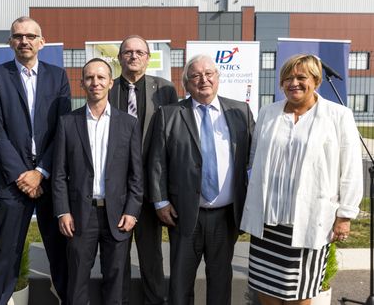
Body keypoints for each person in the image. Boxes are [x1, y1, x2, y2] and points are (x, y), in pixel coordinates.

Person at [240, 54, 363, 304]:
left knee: (300, 294)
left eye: (300, 77)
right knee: (266, 291)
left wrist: (345, 216)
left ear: (316, 81)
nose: (293, 83)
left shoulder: (338, 115)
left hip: (308, 221)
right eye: (287, 78)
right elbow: (254, 159)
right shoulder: (268, 112)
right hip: (268, 223)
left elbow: (350, 168)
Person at [148, 54, 254, 305]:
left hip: (226, 215)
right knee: (180, 283)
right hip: (184, 214)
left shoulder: (240, 111)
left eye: (209, 74)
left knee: (220, 281)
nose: (203, 79)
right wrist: (160, 202)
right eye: (195, 75)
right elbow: (157, 162)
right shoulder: (169, 114)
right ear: (186, 83)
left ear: (218, 78)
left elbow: (254, 157)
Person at [0, 16, 71, 305]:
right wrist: (23, 173)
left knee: (60, 253)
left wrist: (41, 171)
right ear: (11, 42)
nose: (24, 41)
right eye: (18, 36)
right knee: (5, 254)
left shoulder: (58, 76)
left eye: (31, 36)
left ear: (41, 42)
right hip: (13, 181)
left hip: (50, 179)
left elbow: (64, 128)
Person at [52, 58, 143, 305]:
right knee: (77, 280)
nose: (96, 82)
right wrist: (63, 212)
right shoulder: (68, 122)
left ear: (111, 83)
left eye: (101, 77)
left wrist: (132, 211)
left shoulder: (129, 123)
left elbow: (136, 175)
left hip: (118, 215)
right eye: (90, 78)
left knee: (116, 281)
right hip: (80, 215)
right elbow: (59, 173)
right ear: (82, 83)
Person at [108, 34, 178, 305]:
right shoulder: (108, 88)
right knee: (118, 256)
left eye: (139, 52)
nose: (133, 56)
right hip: (117, 189)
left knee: (151, 256)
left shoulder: (165, 89)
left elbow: (171, 139)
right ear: (119, 58)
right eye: (128, 52)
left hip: (151, 188)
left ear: (148, 58)